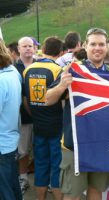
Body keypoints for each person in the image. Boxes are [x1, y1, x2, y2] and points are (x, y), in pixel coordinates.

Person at [46, 28, 109, 200]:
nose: (97, 48)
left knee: (96, 190)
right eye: (93, 44)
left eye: (101, 44)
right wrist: (62, 86)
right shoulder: (72, 70)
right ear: (85, 46)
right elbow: (47, 99)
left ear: (107, 47)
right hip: (74, 145)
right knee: (72, 195)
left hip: (103, 144)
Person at [23, 36, 64, 200]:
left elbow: (25, 99)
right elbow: (62, 102)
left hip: (38, 125)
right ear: (60, 53)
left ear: (43, 50)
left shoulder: (27, 70)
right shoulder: (58, 71)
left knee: (40, 165)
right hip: (55, 126)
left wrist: (35, 114)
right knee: (57, 167)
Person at [0, 40, 22, 200]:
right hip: (10, 142)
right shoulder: (12, 71)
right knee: (13, 188)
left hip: (2, 146)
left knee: (6, 192)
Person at [15, 36, 35, 194]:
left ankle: (46, 179)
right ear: (19, 49)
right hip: (23, 118)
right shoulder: (14, 68)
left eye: (30, 46)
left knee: (41, 151)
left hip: (42, 117)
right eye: (25, 46)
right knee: (23, 151)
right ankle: (23, 178)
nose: (28, 48)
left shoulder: (40, 65)